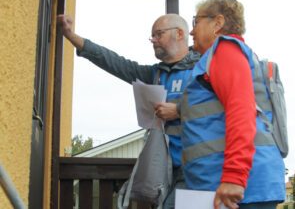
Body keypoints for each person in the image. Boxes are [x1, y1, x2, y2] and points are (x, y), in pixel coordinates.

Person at [57, 13, 200, 209]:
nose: (153, 41)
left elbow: (227, 106)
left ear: (180, 33)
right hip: (164, 172)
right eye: (152, 36)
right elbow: (115, 62)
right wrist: (71, 37)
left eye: (158, 34)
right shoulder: (155, 74)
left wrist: (179, 110)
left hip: (197, 169)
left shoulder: (205, 67)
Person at [155, 0, 285, 209]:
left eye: (196, 22)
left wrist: (234, 176)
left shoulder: (225, 50)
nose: (191, 31)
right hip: (221, 187)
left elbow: (241, 111)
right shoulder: (212, 59)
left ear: (218, 23)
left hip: (240, 189)